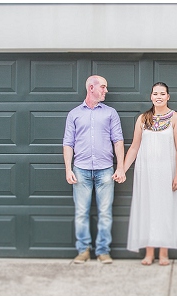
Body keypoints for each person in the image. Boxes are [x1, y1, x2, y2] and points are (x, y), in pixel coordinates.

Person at [122, 82, 177, 266]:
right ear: (151, 96)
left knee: (165, 209)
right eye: (155, 93)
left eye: (162, 93)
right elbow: (135, 147)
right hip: (146, 173)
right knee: (148, 209)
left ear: (168, 96)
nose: (158, 96)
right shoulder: (143, 119)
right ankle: (149, 252)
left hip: (167, 172)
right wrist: (122, 169)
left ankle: (164, 253)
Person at [63, 75, 126, 264]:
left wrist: (121, 167)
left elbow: (118, 141)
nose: (106, 91)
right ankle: (83, 250)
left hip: (105, 170)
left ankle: (103, 251)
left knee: (105, 212)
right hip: (80, 169)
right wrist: (68, 169)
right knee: (81, 212)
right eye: (103, 87)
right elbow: (68, 143)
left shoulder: (110, 113)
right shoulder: (74, 114)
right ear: (91, 87)